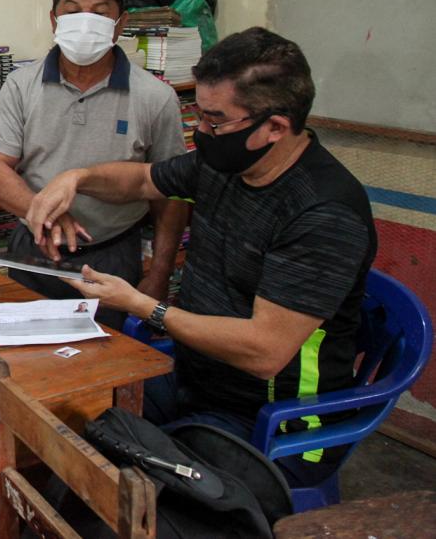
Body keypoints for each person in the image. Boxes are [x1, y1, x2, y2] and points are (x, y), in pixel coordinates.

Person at [26, 27, 376, 486]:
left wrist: (143, 306)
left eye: (215, 121)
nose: (202, 133)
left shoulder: (323, 213)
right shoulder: (227, 163)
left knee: (122, 490)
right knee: (55, 426)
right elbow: (142, 180)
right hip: (193, 378)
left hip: (273, 419)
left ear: (275, 127)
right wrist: (75, 178)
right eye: (200, 117)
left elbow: (264, 351)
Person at [0, 0, 189, 327]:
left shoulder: (155, 97)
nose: (85, 21)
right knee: (20, 352)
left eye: (100, 12)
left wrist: (160, 272)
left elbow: (171, 194)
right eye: (73, 10)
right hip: (34, 250)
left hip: (112, 257)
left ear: (120, 24)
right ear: (54, 20)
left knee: (108, 356)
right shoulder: (21, 85)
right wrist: (42, 211)